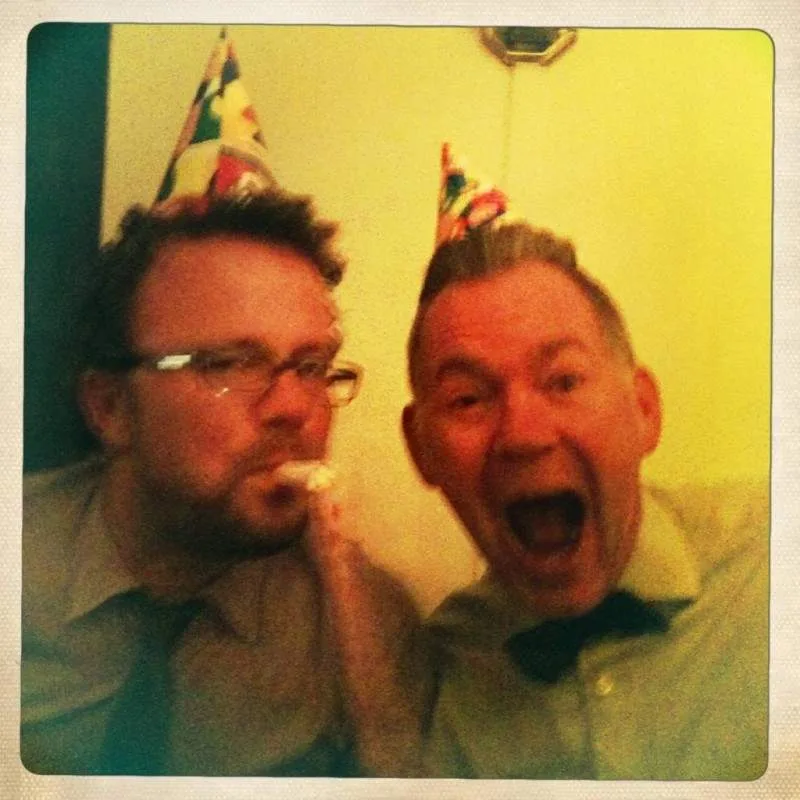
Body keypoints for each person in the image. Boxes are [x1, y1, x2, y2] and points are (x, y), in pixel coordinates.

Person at [21, 190, 426, 776]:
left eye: (311, 367)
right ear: (110, 407)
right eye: (229, 363)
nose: (294, 407)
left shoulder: (365, 630)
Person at [402, 219, 769, 780]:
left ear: (644, 410)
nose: (524, 435)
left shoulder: (774, 563)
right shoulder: (438, 669)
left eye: (564, 381)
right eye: (469, 399)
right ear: (421, 448)